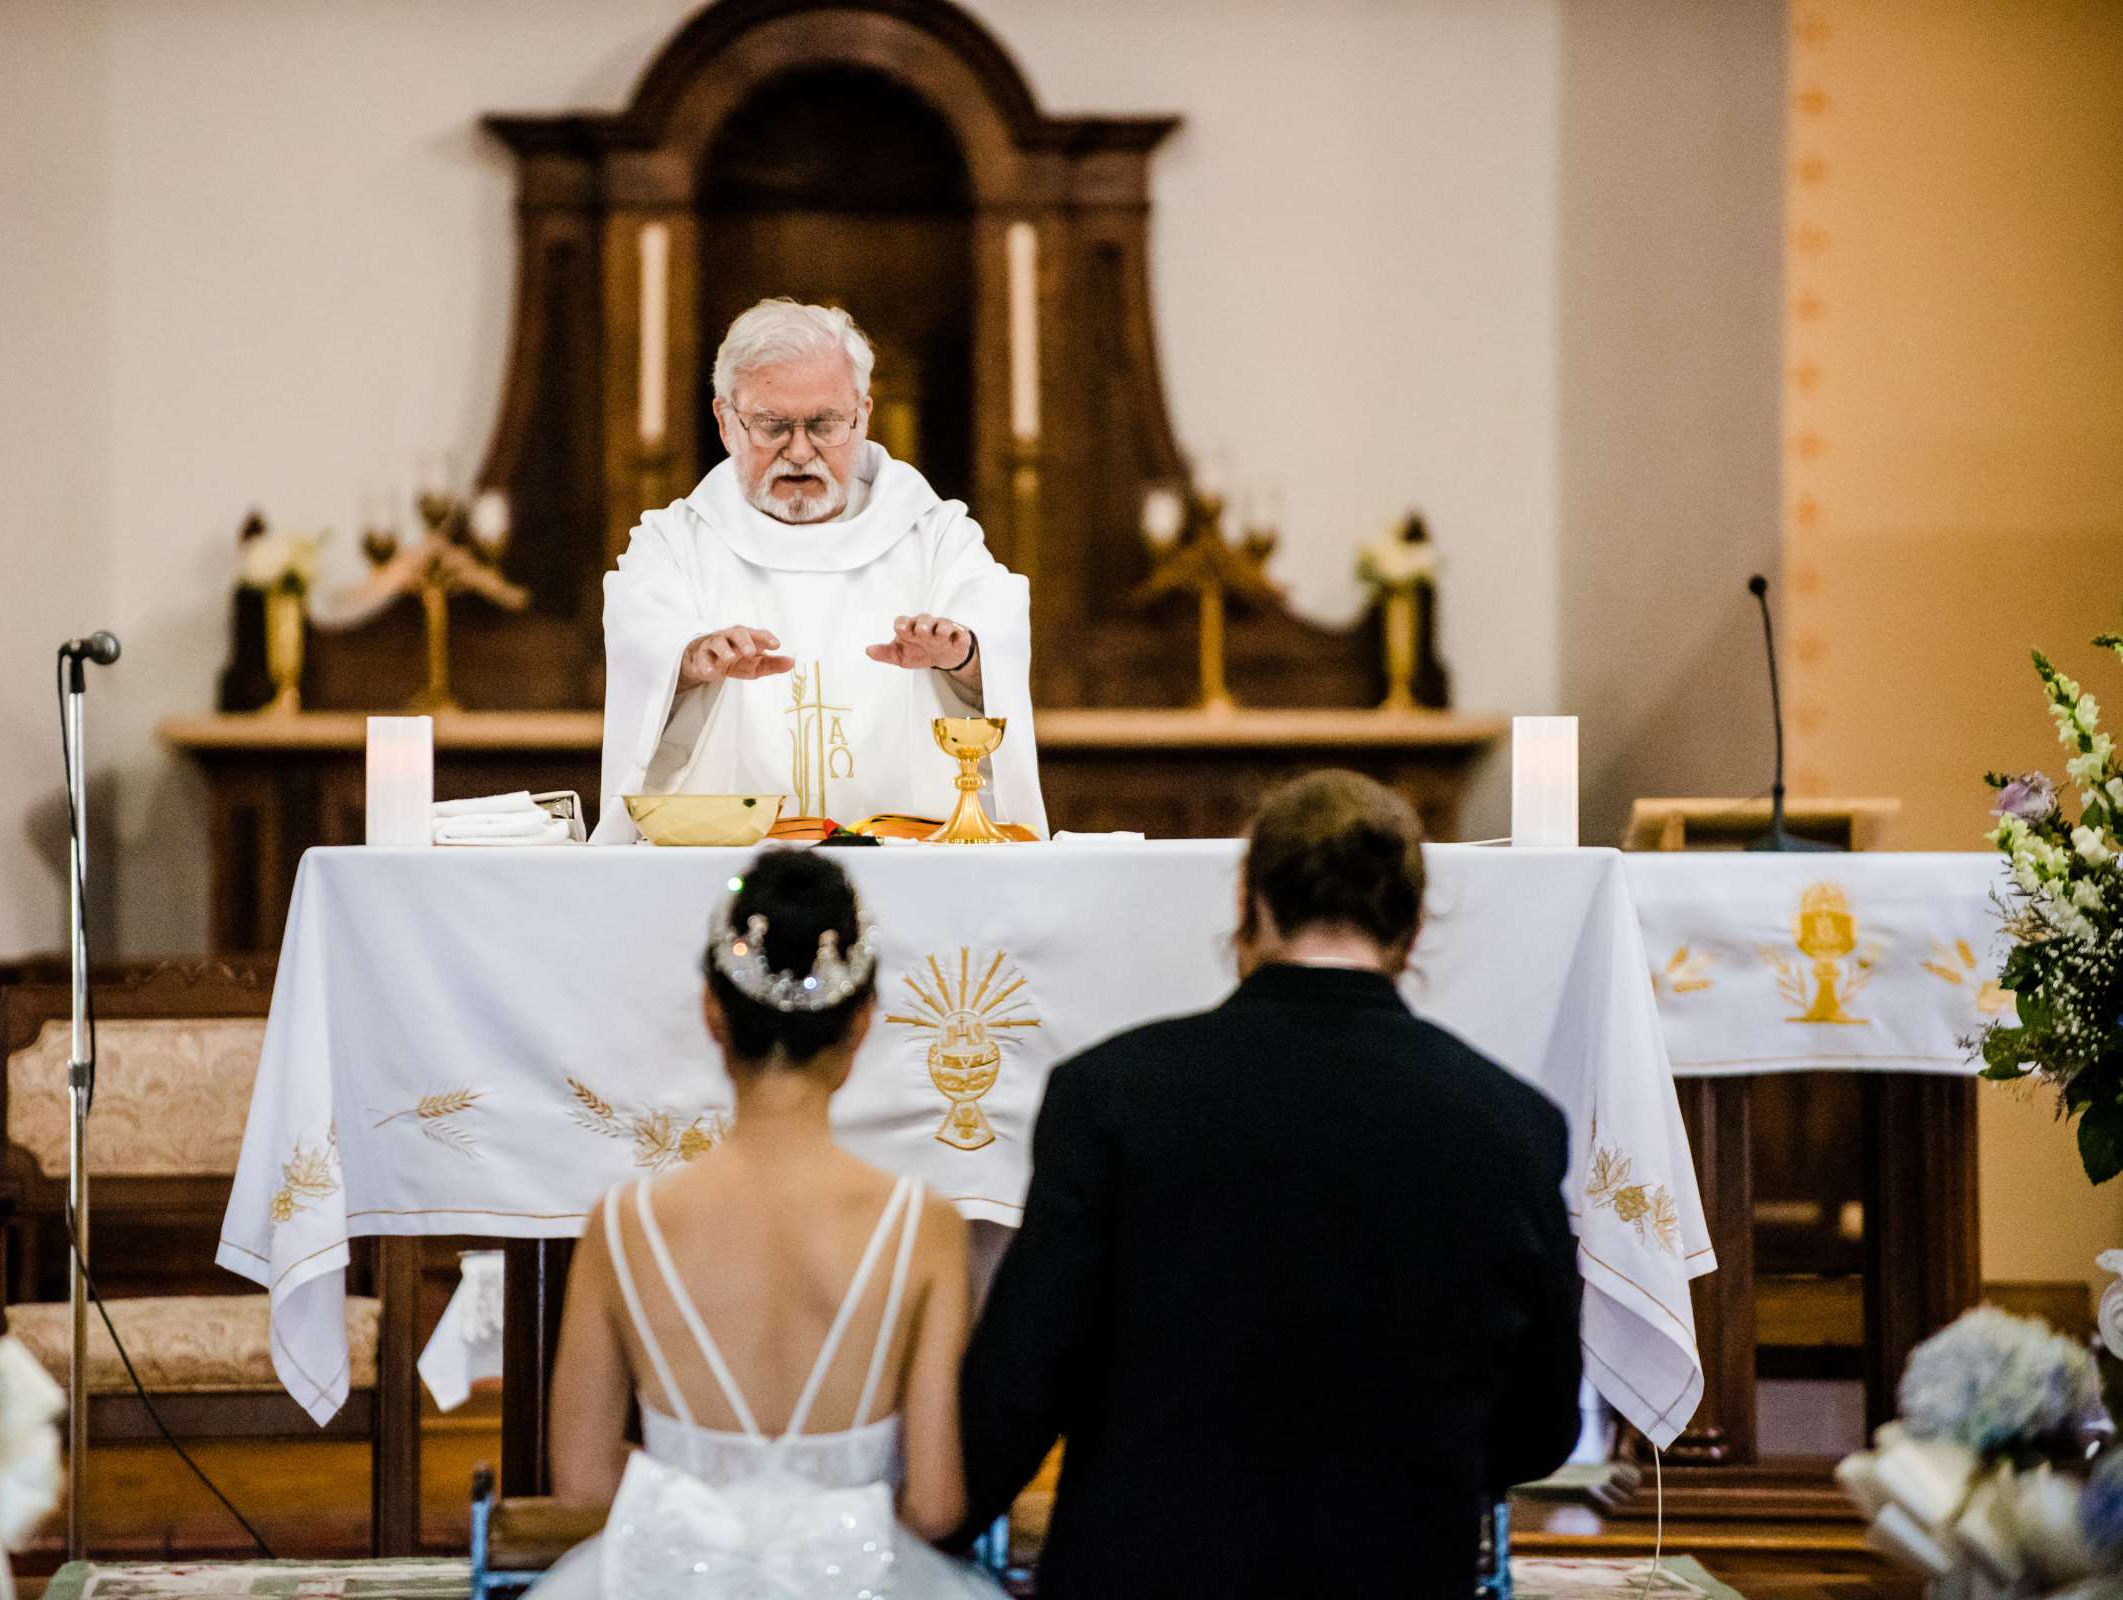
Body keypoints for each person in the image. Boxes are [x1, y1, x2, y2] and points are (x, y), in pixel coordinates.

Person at [956, 770, 1585, 1599]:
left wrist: (924, 1535)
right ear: (1414, 922)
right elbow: (1538, 1427)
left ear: (1249, 904)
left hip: (1144, 1571)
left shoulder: (1111, 1095)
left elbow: (1018, 1390)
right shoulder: (1513, 1125)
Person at [536, 850, 1003, 1599]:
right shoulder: (924, 1227)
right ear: (862, 1024)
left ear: (712, 1013)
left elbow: (584, 1488)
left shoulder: (624, 1226)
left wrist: (698, 1517)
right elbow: (937, 1502)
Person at [593, 298, 1045, 842]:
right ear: (725, 422)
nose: (800, 450)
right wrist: (689, 662)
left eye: (825, 424)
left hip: (908, 864)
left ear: (862, 417)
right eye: (772, 425)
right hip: (720, 867)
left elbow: (996, 635)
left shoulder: (934, 535)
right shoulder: (673, 545)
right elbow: (643, 644)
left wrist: (964, 656)